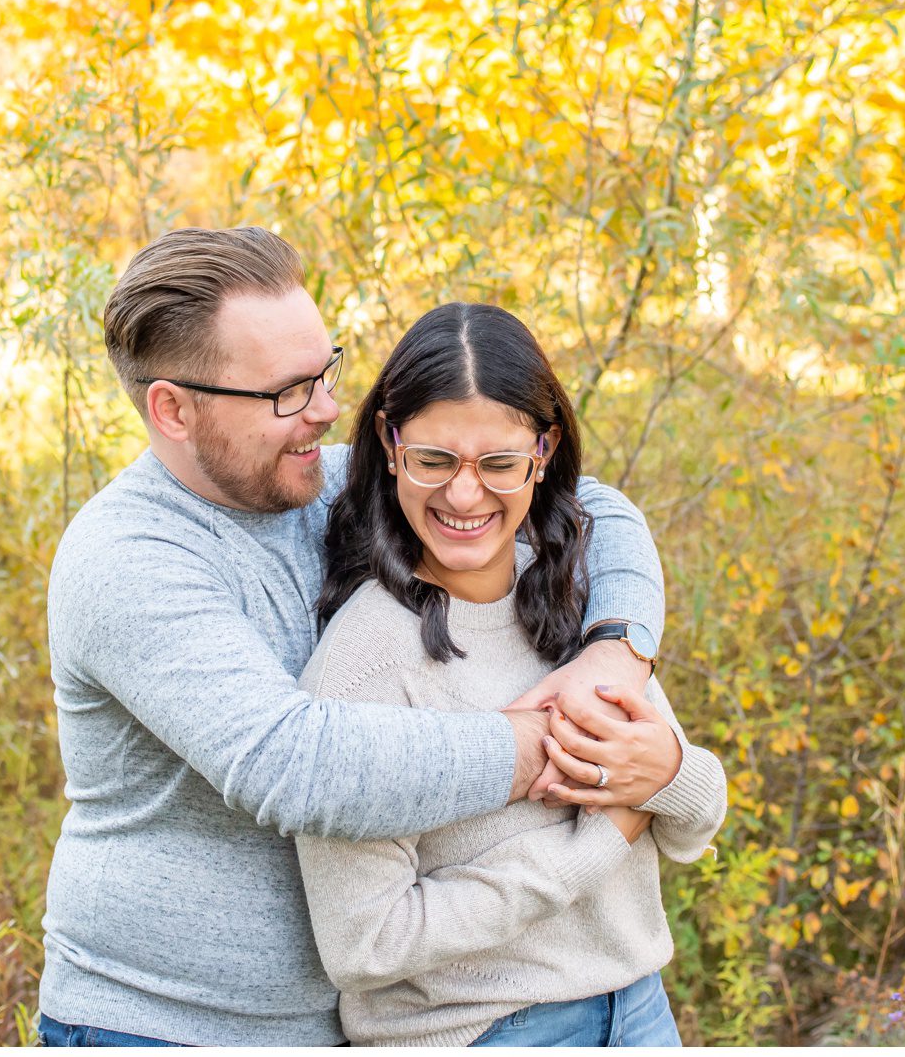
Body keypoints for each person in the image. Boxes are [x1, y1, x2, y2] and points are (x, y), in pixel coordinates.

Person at [37, 227, 682, 1047]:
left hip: (338, 1025)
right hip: (170, 1025)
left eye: (325, 372)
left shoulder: (311, 479)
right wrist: (554, 745)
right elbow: (296, 766)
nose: (326, 411)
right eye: (286, 392)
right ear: (173, 408)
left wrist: (611, 654)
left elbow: (593, 507)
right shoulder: (129, 560)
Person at [297, 302, 727, 1047]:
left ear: (543, 450)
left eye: (497, 463)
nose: (465, 496)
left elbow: (695, 828)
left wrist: (669, 772)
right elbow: (366, 944)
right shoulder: (364, 660)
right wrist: (602, 841)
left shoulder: (577, 599)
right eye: (434, 460)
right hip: (479, 1034)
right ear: (389, 445)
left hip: (639, 1013)